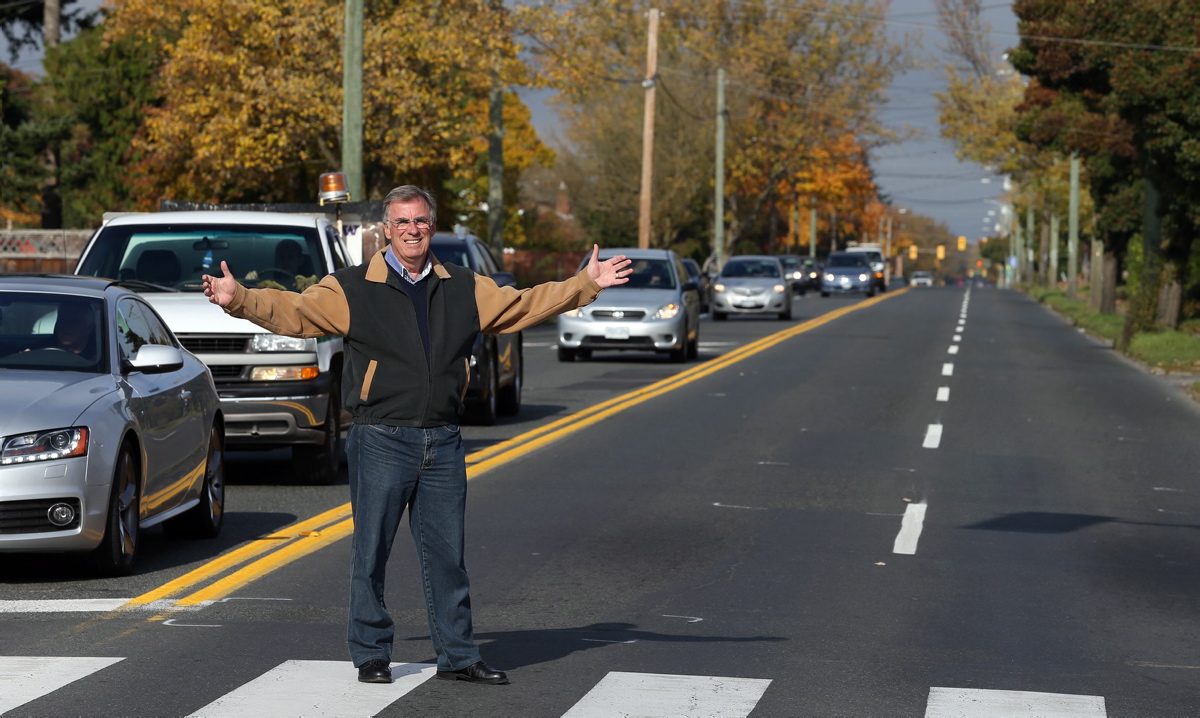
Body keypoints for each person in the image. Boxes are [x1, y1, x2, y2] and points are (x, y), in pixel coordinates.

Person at [202, 185, 631, 686]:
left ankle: (457, 654)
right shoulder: (353, 287)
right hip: (381, 437)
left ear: (433, 226)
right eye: (402, 222)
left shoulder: (464, 285)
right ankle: (371, 653)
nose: (412, 230)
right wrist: (240, 300)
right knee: (371, 553)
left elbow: (523, 305)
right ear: (387, 229)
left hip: (443, 440)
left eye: (421, 221)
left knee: (448, 556)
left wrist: (585, 284)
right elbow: (297, 313)